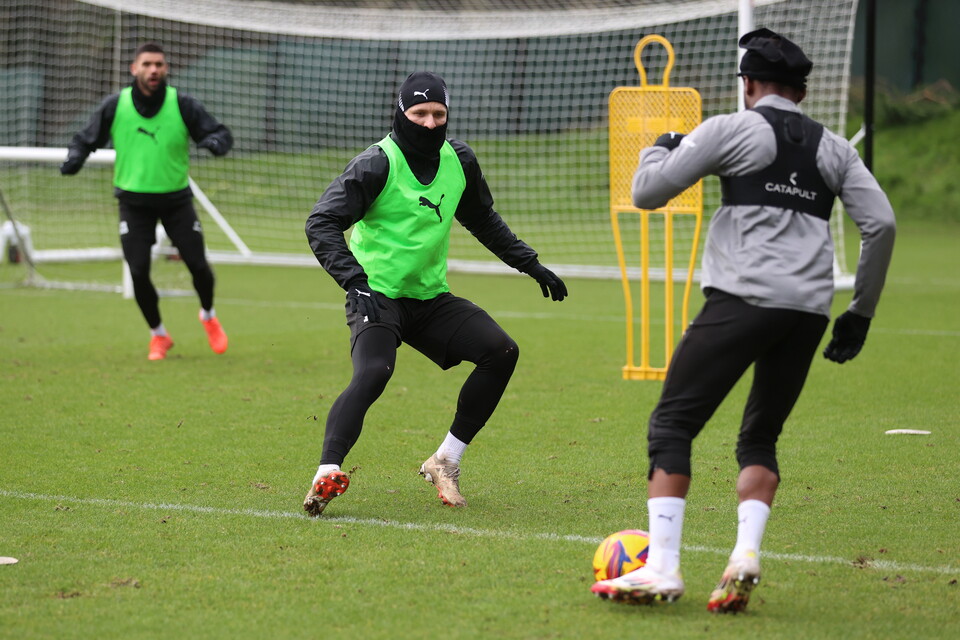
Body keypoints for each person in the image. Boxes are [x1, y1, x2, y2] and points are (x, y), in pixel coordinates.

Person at [591, 29, 895, 612]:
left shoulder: (732, 127)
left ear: (748, 84)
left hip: (741, 301)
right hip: (807, 311)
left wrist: (660, 146)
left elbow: (649, 192)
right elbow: (881, 224)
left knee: (672, 426)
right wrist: (859, 314)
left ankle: (662, 567)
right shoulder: (835, 148)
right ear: (802, 92)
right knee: (759, 436)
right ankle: (745, 556)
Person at [303, 71, 568, 516]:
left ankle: (446, 459)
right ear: (401, 113)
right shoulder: (376, 163)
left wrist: (530, 262)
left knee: (501, 351)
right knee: (374, 372)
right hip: (377, 295)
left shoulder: (459, 160)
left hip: (429, 298)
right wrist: (355, 281)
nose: (429, 123)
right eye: (419, 113)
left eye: (438, 114)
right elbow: (321, 222)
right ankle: (327, 472)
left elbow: (482, 220)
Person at [60, 42, 232, 361]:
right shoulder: (116, 105)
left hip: (176, 201)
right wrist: (75, 158)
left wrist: (215, 142)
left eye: (159, 65)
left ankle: (208, 315)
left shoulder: (182, 104)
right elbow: (85, 138)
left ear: (166, 69)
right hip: (133, 202)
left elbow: (221, 133)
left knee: (198, 266)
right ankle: (159, 336)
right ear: (134, 69)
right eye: (147, 64)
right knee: (138, 270)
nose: (154, 70)